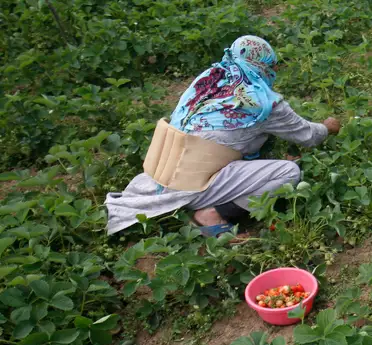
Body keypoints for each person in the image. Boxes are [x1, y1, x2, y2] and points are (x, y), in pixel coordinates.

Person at [105, 35, 339, 236]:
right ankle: (211, 215)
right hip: (193, 183)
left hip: (160, 172)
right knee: (289, 172)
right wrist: (328, 127)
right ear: (265, 66)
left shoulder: (207, 80)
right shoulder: (264, 104)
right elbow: (309, 136)